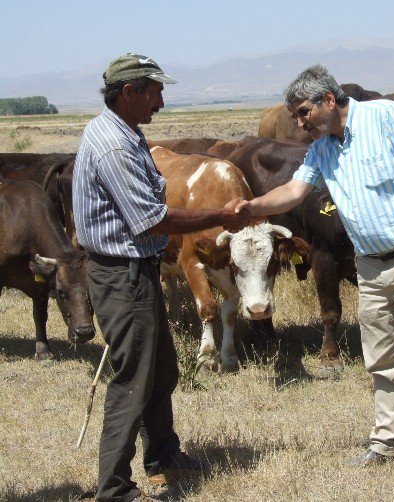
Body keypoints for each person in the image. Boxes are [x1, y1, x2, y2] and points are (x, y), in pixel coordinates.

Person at [234, 64, 394, 478]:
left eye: (303, 111)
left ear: (329, 99)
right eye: (295, 115)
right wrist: (252, 208)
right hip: (370, 268)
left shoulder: (385, 116)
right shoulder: (323, 148)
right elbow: (294, 190)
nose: (298, 121)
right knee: (382, 359)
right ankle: (389, 442)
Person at [73, 53, 250, 502]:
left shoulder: (126, 132)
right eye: (155, 91)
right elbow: (152, 221)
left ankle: (163, 456)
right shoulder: (113, 145)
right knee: (133, 379)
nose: (162, 101)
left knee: (161, 369)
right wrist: (219, 217)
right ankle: (113, 488)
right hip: (122, 276)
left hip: (138, 271)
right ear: (129, 92)